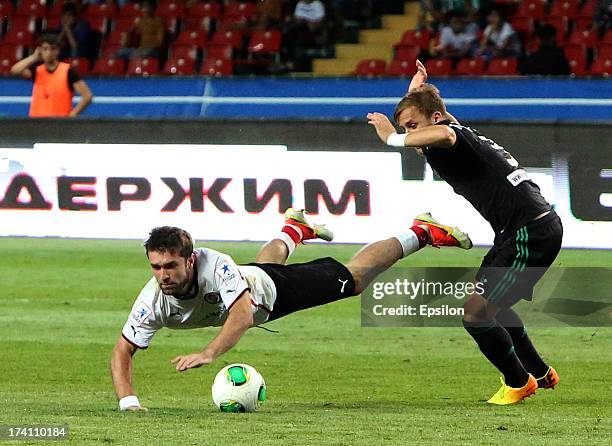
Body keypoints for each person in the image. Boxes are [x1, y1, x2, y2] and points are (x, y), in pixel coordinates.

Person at [110, 208, 472, 411]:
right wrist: (129, 403)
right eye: (156, 267)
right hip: (255, 280)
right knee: (263, 267)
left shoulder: (213, 263)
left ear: (191, 260)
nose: (163, 275)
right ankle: (294, 229)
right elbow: (123, 350)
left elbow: (242, 315)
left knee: (353, 279)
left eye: (170, 266)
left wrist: (209, 352)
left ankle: (421, 232)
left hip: (273, 293)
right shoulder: (152, 299)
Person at [367, 60, 564, 405]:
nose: (411, 134)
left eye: (413, 126)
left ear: (436, 118)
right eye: (406, 127)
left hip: (528, 231)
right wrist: (416, 94)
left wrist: (392, 137)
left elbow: (442, 131)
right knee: (496, 308)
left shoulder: (449, 135)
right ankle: (540, 372)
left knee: (475, 312)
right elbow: (436, 118)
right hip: (525, 228)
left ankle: (519, 382)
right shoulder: (454, 128)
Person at [10, 33, 93, 117]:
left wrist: (72, 114)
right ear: (40, 50)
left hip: (60, 123)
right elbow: (15, 70)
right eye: (45, 49)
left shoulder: (68, 72)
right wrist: (33, 57)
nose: (49, 52)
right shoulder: (37, 71)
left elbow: (87, 96)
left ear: (58, 51)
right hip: (36, 122)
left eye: (53, 49)